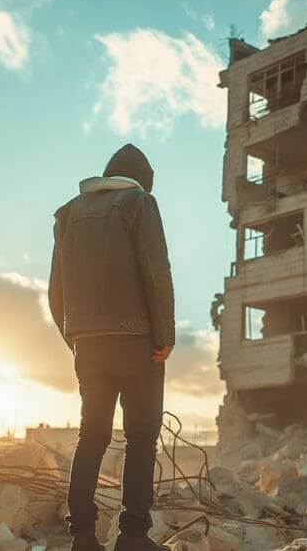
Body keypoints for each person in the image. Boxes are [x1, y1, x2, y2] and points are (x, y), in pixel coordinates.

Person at [49, 143, 175, 551]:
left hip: (87, 343)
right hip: (138, 342)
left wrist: (75, 338)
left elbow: (56, 291)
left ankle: (83, 538)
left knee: (92, 436)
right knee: (141, 438)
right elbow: (156, 271)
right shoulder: (140, 202)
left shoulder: (68, 213)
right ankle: (133, 537)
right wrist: (165, 336)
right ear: (142, 181)